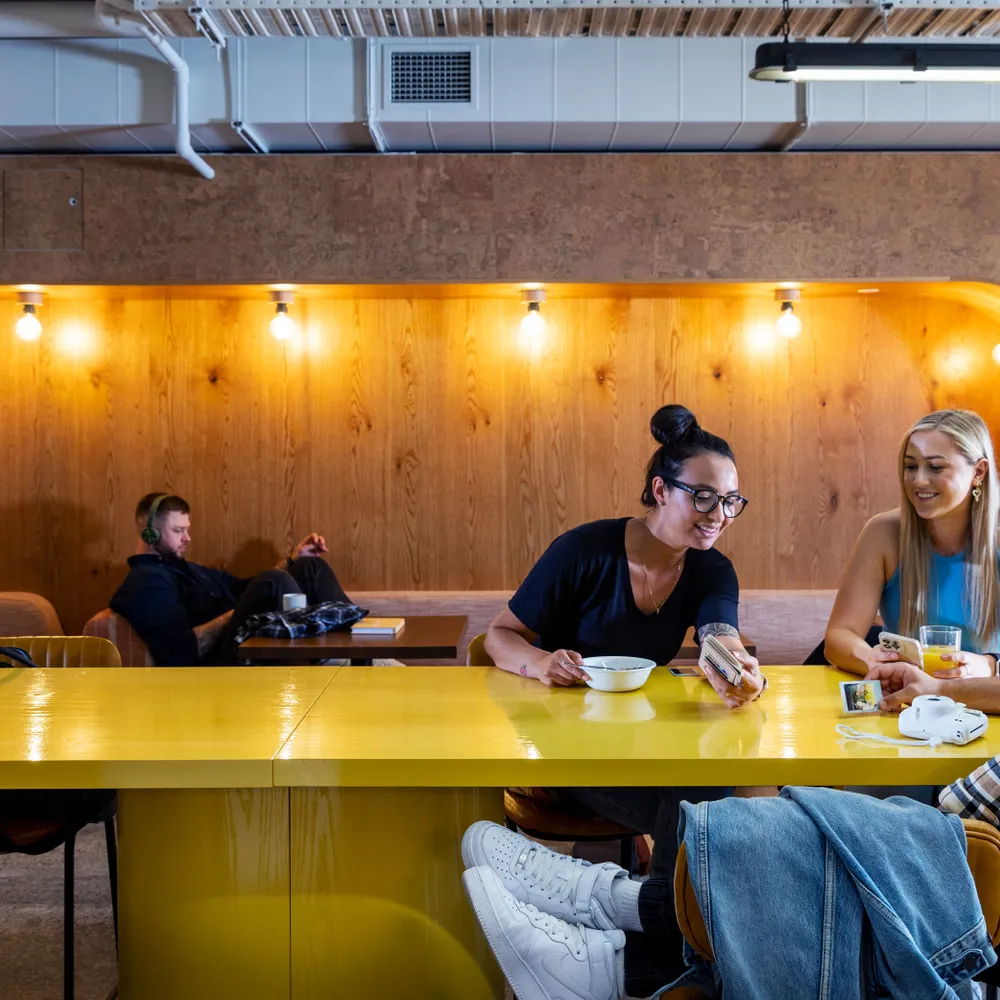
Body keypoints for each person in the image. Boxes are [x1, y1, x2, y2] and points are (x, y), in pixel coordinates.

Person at [483, 404, 765, 879]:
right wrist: (542, 662)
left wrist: (739, 672)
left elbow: (720, 636)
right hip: (563, 741)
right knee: (704, 803)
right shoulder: (583, 551)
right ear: (661, 490)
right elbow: (498, 635)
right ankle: (664, 916)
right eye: (703, 497)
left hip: (642, 741)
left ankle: (652, 914)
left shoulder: (712, 569)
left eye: (730, 500)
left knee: (720, 791)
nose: (719, 515)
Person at [826, 409, 1000, 679]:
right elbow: (839, 636)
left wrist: (989, 665)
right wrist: (873, 660)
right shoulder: (883, 533)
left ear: (978, 472)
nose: (919, 480)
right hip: (908, 697)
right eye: (911, 466)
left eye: (936, 467)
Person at [110, 492, 350, 665]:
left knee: (308, 566)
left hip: (245, 637)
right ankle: (313, 659)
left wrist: (292, 559)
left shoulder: (189, 569)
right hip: (222, 662)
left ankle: (357, 647)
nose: (187, 538)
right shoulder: (147, 583)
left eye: (187, 529)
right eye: (178, 530)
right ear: (149, 534)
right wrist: (241, 614)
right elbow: (182, 651)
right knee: (273, 581)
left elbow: (244, 588)